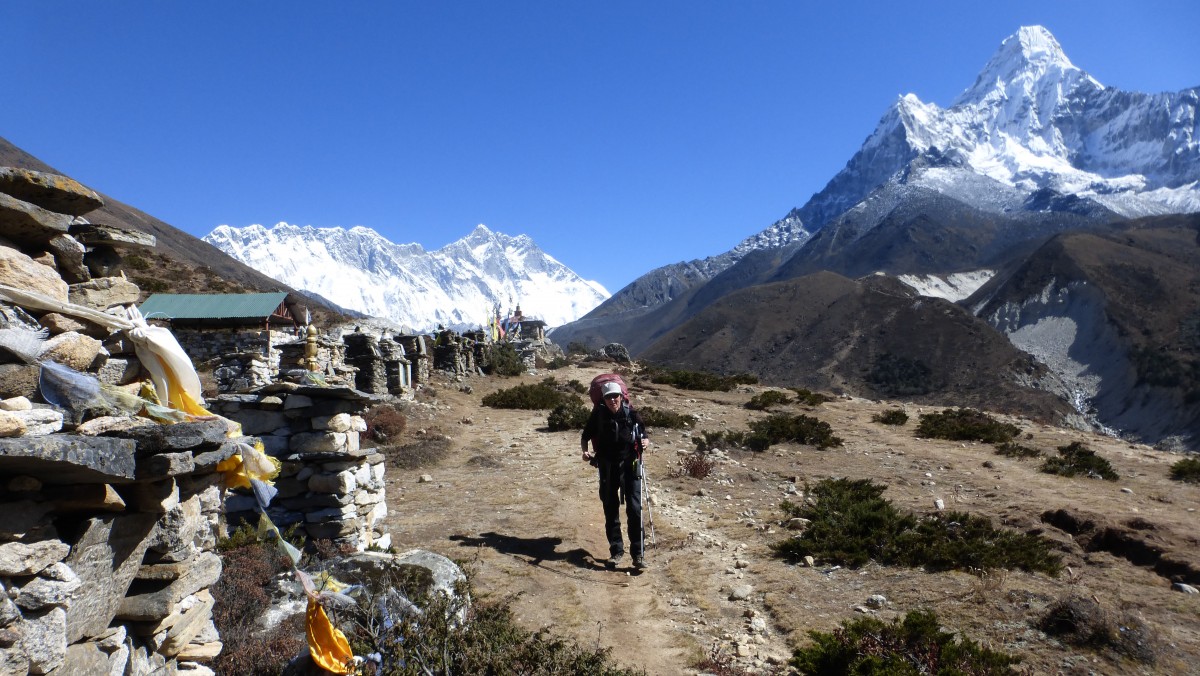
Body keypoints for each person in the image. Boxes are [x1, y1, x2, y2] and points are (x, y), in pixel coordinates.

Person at [581, 381, 650, 569]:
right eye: (608, 397)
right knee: (610, 509)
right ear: (603, 399)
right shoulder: (598, 415)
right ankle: (616, 551)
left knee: (635, 509)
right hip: (607, 467)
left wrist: (645, 442)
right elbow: (585, 436)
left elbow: (643, 433)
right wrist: (585, 452)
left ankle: (638, 555)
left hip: (631, 465)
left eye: (615, 396)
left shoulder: (631, 413)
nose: (613, 400)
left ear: (621, 396)